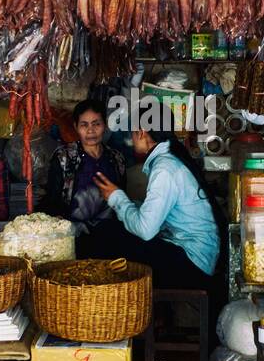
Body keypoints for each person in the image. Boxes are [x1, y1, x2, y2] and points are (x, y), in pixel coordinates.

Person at [89, 122, 224, 291]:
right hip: (195, 255)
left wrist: (117, 198)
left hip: (193, 264)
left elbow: (146, 230)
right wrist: (127, 203)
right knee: (114, 229)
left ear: (141, 132)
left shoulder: (165, 168)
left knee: (107, 235)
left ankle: (104, 305)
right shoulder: (169, 159)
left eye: (132, 133)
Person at [39, 98, 127, 239]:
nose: (90, 130)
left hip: (109, 235)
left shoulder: (117, 159)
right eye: (84, 125)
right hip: (73, 235)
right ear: (76, 127)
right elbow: (52, 199)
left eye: (96, 124)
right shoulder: (64, 157)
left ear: (105, 125)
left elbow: (122, 199)